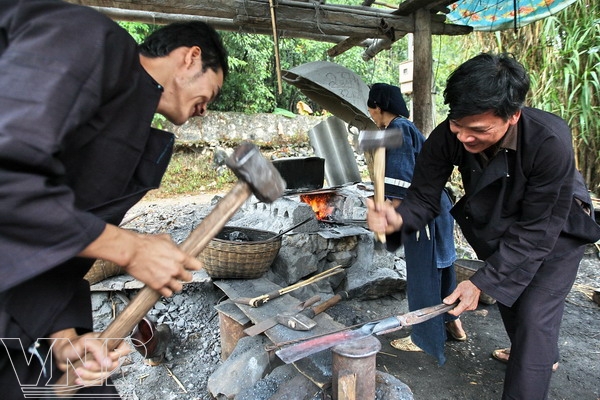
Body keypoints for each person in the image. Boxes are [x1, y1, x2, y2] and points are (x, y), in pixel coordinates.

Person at [0, 0, 229, 398]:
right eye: (214, 89)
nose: (206, 110)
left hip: (27, 311)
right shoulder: (86, 38)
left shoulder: (130, 125)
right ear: (191, 58)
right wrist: (127, 247)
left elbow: (50, 234)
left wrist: (63, 336)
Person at [366, 53, 600, 399]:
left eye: (478, 130)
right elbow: (424, 197)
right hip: (500, 222)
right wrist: (398, 216)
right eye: (458, 126)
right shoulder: (451, 133)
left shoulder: (549, 140)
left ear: (513, 116)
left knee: (535, 316)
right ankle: (540, 354)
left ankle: (532, 361)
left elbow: (536, 232)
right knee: (511, 297)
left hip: (556, 230)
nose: (464, 138)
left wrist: (482, 281)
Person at [366, 83, 465, 365]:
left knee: (423, 274)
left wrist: (390, 213)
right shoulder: (407, 128)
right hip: (440, 206)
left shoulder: (396, 129)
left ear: (379, 107)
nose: (371, 114)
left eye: (371, 109)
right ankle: (453, 323)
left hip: (420, 212)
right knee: (443, 268)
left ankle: (423, 338)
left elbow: (400, 179)